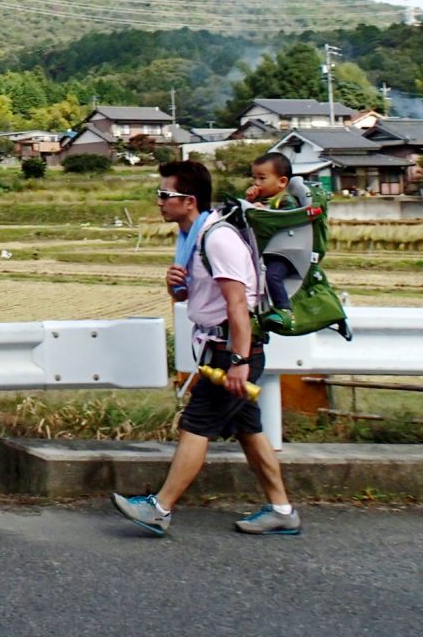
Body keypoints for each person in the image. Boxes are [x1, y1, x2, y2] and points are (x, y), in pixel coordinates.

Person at [111, 160, 301, 537]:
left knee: (196, 425)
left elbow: (238, 304)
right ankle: (282, 510)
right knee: (249, 429)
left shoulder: (217, 238)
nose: (159, 202)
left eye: (166, 195)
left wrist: (239, 361)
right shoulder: (191, 239)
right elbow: (196, 296)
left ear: (190, 201)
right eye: (159, 194)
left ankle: (160, 508)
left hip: (229, 348)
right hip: (222, 346)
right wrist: (175, 285)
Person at [245, 152, 299, 329]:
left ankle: (285, 310)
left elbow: (288, 217)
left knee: (272, 276)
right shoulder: (267, 200)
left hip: (286, 253)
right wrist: (250, 202)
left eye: (262, 178)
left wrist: (264, 212)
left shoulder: (285, 200)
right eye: (254, 178)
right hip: (270, 251)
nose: (257, 183)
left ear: (282, 182)